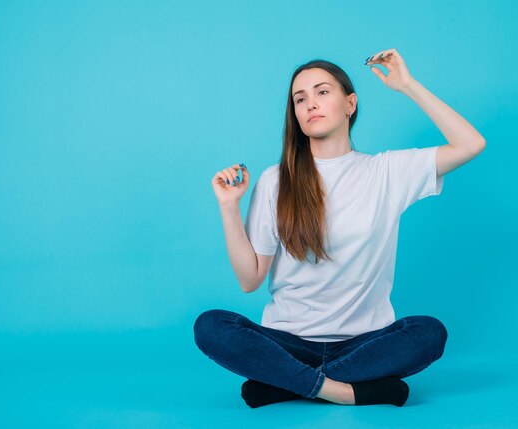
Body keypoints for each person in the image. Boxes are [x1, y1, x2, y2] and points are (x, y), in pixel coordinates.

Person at [194, 48, 486, 408]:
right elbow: (250, 279)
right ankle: (343, 391)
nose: (310, 104)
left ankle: (287, 383)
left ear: (350, 104)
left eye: (322, 92)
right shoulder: (275, 181)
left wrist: (407, 85)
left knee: (428, 332)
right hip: (288, 340)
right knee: (210, 325)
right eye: (300, 99)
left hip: (364, 342)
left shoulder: (387, 172)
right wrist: (229, 207)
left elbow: (471, 144)